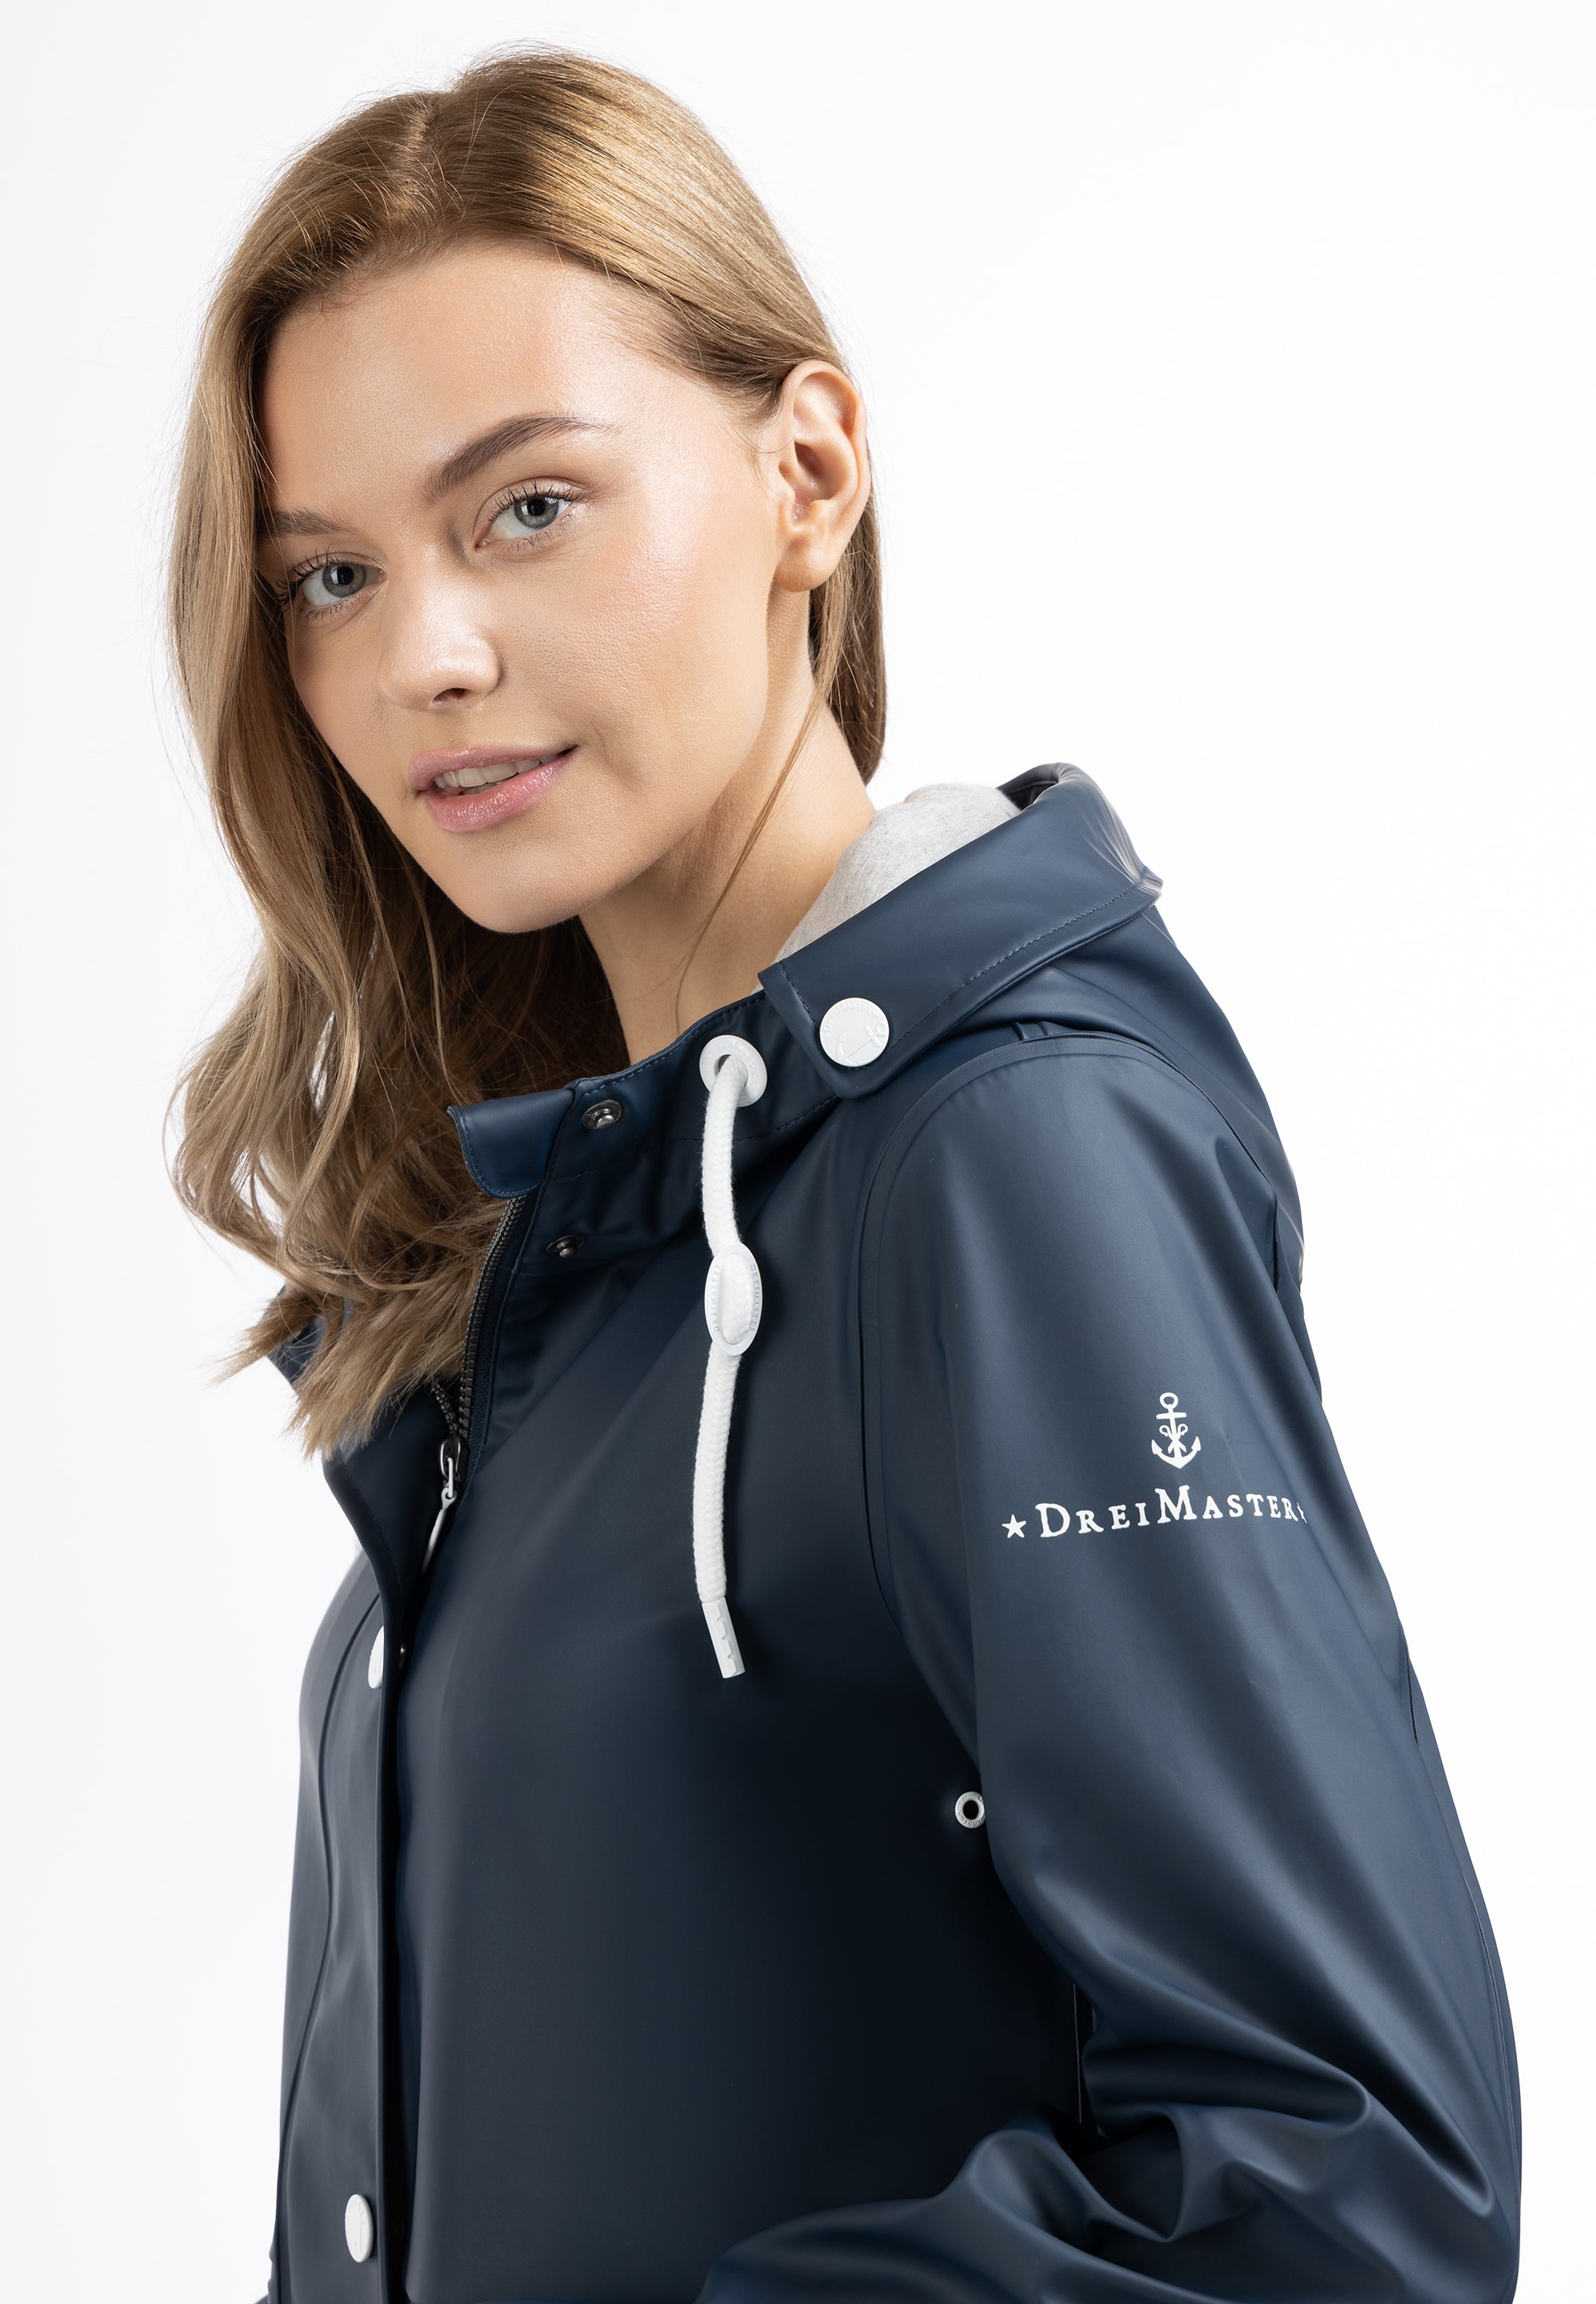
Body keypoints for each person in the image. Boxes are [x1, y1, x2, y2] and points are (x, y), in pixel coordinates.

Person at [169, 48, 1519, 2304]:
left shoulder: (1009, 1158)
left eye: (528, 507)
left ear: (807, 473)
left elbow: (1342, 2195)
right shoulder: (581, 1234)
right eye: (329, 574)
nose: (425, 656)